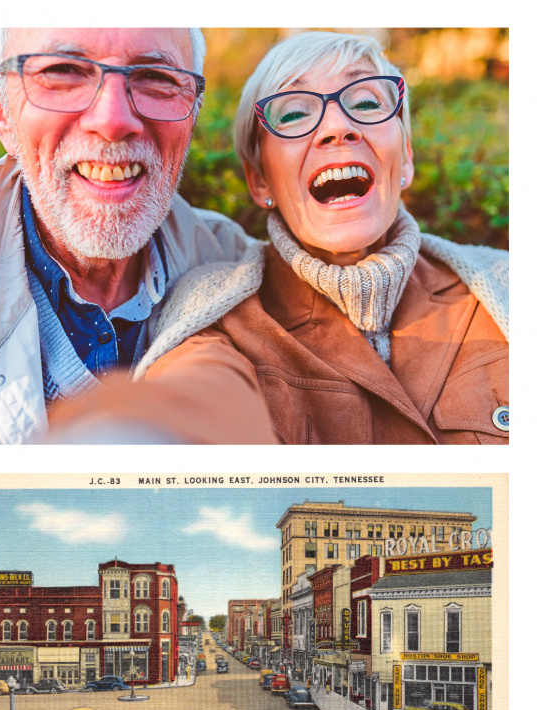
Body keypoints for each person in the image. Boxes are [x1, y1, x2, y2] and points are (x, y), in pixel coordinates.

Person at [129, 30, 508, 444]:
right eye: (293, 114)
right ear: (259, 181)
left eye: (366, 103)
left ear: (407, 158)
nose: (338, 127)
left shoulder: (506, 286)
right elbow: (194, 405)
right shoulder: (215, 317)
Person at [0, 27, 275, 444]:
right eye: (63, 72)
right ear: (2, 111)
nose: (112, 121)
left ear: (193, 113)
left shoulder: (236, 266)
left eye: (156, 78)